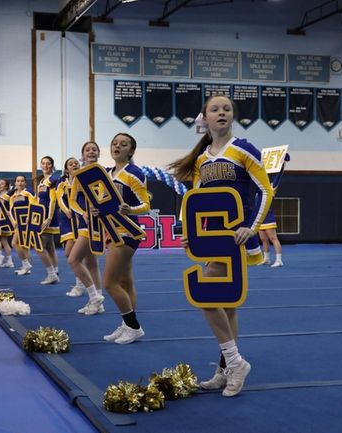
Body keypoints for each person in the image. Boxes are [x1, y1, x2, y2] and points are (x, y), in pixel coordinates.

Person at [167, 95, 273, 397]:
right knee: (226, 305)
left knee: (206, 294)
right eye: (215, 109)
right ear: (206, 118)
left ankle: (237, 363)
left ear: (232, 116)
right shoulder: (202, 160)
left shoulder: (244, 149)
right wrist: (189, 232)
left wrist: (250, 226)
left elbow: (265, 190)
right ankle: (225, 368)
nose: (222, 112)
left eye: (227, 108)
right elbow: (196, 203)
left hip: (235, 239)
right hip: (211, 241)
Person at [99, 133, 151, 344]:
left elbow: (146, 205)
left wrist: (131, 210)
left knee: (109, 283)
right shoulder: (107, 173)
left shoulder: (134, 173)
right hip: (112, 231)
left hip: (127, 233)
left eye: (123, 144)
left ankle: (133, 326)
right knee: (125, 281)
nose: (117, 146)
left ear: (131, 151)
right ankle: (126, 324)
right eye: (114, 143)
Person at [68, 141, 105, 315]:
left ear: (99, 153)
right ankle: (98, 302)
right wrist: (83, 213)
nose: (91, 152)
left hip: (100, 223)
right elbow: (72, 200)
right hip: (84, 222)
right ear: (83, 155)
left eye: (94, 149)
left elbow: (110, 198)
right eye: (87, 150)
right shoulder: (78, 175)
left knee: (73, 260)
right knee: (90, 263)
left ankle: (95, 297)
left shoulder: (106, 173)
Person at [56, 157, 86, 297]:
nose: (74, 164)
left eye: (76, 163)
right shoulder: (62, 183)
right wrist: (66, 210)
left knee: (76, 255)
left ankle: (81, 284)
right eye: (70, 163)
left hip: (82, 217)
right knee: (69, 253)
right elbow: (59, 198)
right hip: (68, 219)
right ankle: (80, 282)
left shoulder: (84, 179)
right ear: (66, 169)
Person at [36, 156, 61, 285]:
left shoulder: (52, 180)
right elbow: (38, 201)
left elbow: (53, 200)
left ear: (52, 165)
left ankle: (51, 274)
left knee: (38, 246)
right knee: (50, 247)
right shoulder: (41, 181)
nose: (45, 166)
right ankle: (55, 272)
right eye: (43, 163)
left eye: (48, 164)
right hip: (41, 217)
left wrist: (48, 218)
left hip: (49, 217)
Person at [9, 175, 34, 276]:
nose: (20, 183)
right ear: (15, 183)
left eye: (22, 181)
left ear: (25, 183)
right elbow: (10, 211)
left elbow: (34, 205)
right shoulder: (13, 196)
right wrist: (13, 221)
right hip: (18, 223)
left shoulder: (29, 193)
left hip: (27, 222)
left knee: (19, 244)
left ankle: (26, 265)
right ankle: (26, 266)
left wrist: (30, 217)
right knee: (20, 244)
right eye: (18, 181)